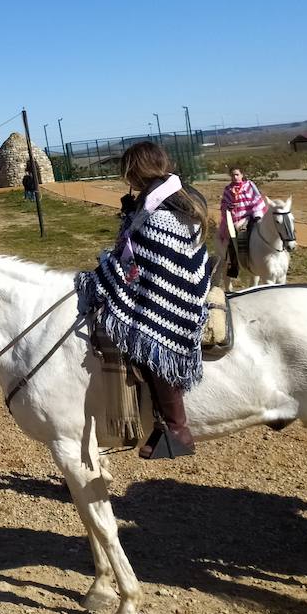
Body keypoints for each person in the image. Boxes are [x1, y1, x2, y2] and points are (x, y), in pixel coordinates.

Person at [75, 141, 211, 460]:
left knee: (150, 329)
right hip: (165, 275)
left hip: (174, 286)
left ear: (137, 169)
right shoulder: (162, 194)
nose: (127, 180)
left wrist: (106, 272)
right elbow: (135, 249)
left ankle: (177, 427)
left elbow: (148, 257)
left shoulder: (164, 206)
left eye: (128, 172)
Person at [218, 167, 267, 279]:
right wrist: (229, 207)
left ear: (242, 175)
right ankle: (233, 265)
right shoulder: (228, 189)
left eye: (237, 174)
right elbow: (224, 204)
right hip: (236, 218)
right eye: (232, 175)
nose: (235, 177)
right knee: (233, 235)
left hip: (251, 215)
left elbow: (257, 199)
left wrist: (256, 215)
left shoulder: (249, 185)